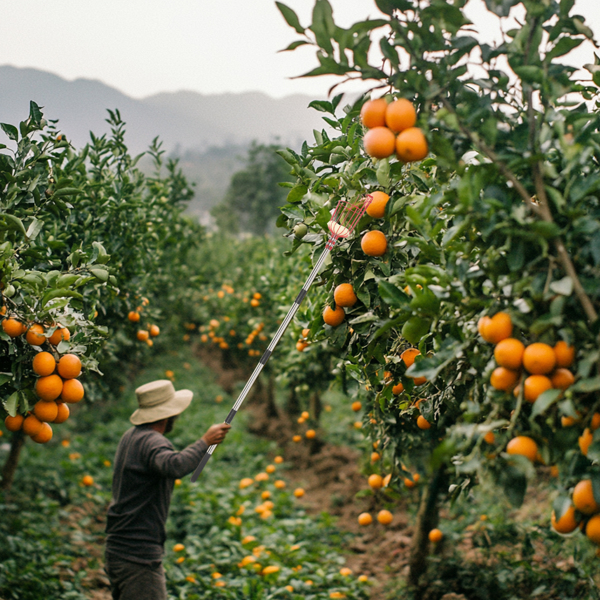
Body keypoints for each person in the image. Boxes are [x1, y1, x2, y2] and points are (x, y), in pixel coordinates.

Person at [104, 379, 231, 600]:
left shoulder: (131, 436)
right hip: (138, 555)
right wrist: (204, 442)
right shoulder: (152, 441)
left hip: (119, 548)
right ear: (167, 415)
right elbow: (174, 465)